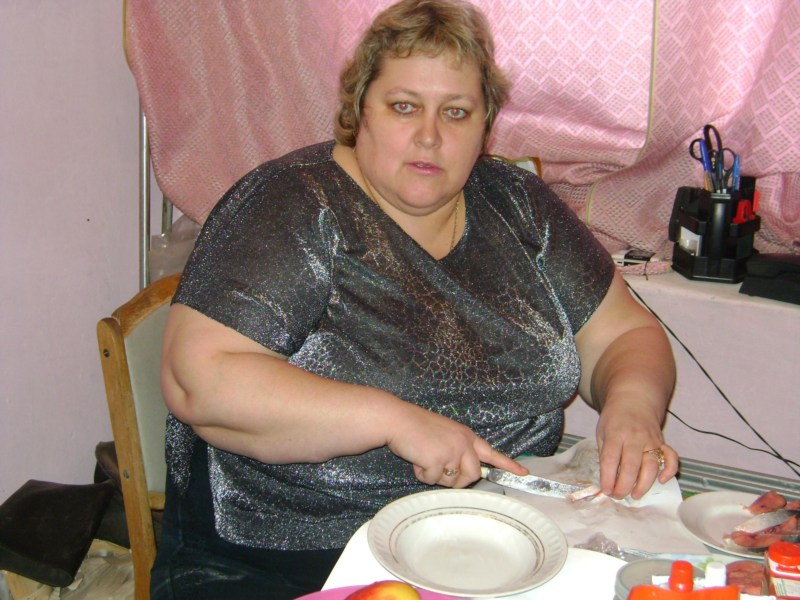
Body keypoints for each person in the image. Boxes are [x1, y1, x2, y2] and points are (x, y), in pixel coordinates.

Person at [151, 0, 678, 598]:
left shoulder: (519, 205)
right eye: (404, 106)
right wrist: (393, 420)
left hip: (494, 544)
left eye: (456, 112)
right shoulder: (291, 205)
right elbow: (199, 379)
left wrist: (632, 408)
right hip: (290, 559)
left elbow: (623, 333)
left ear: (485, 126)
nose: (430, 135)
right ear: (359, 111)